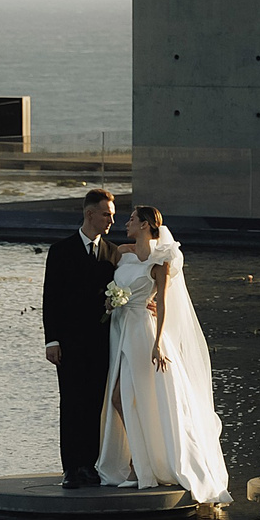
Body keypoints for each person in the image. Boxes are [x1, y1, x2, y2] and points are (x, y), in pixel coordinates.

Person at [94, 204, 228, 502]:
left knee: (131, 396)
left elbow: (164, 302)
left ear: (144, 225)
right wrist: (110, 303)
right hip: (120, 327)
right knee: (121, 397)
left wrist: (158, 343)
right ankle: (138, 461)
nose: (125, 223)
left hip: (143, 330)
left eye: (130, 219)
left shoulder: (161, 260)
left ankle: (140, 464)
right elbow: (114, 284)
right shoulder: (124, 252)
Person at [41, 188, 118, 488]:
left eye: (111, 215)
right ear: (89, 214)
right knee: (71, 404)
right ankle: (71, 468)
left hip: (103, 342)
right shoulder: (60, 251)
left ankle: (92, 465)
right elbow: (51, 299)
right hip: (69, 344)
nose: (111, 220)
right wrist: (52, 341)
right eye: (106, 214)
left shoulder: (113, 252)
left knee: (96, 405)